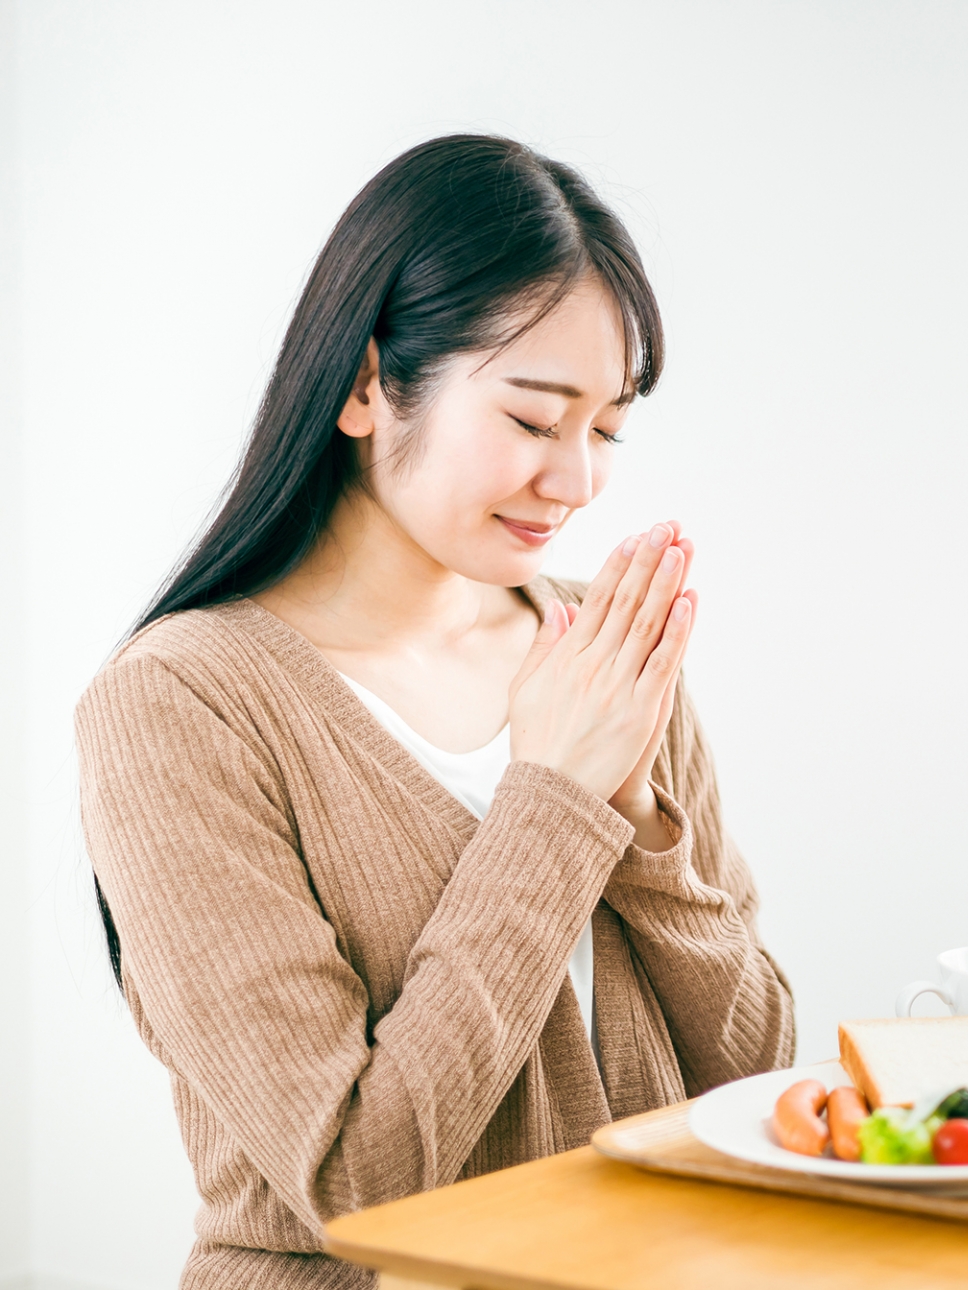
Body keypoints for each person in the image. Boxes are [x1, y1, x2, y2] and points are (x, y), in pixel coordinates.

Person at [74, 135, 795, 1290]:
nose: (577, 483)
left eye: (606, 430)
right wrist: (555, 803)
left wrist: (639, 817)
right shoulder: (180, 704)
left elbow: (759, 1081)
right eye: (531, 419)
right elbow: (362, 1182)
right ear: (368, 386)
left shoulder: (598, 652)